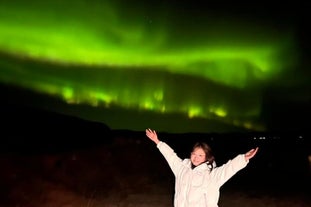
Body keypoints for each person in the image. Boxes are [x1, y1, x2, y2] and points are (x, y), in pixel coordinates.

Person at [146, 128, 259, 207]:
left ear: (206, 157)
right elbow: (171, 156)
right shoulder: (182, 168)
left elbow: (229, 168)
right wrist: (157, 141)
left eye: (200, 155)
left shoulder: (211, 175)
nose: (196, 158)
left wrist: (244, 158)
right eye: (194, 154)